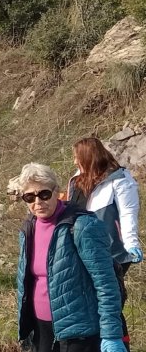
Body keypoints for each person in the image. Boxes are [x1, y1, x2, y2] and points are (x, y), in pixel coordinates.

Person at [15, 163, 126, 352]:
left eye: (44, 194)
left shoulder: (82, 226)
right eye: (29, 197)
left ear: (56, 191)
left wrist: (111, 334)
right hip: (41, 330)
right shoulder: (29, 228)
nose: (38, 202)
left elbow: (106, 283)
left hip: (79, 334)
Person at [67, 137, 141, 348]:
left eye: (77, 157)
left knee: (110, 299)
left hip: (111, 251)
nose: (74, 162)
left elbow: (128, 213)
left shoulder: (120, 180)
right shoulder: (77, 180)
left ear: (88, 157)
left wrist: (131, 244)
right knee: (88, 299)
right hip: (82, 249)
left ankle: (117, 342)